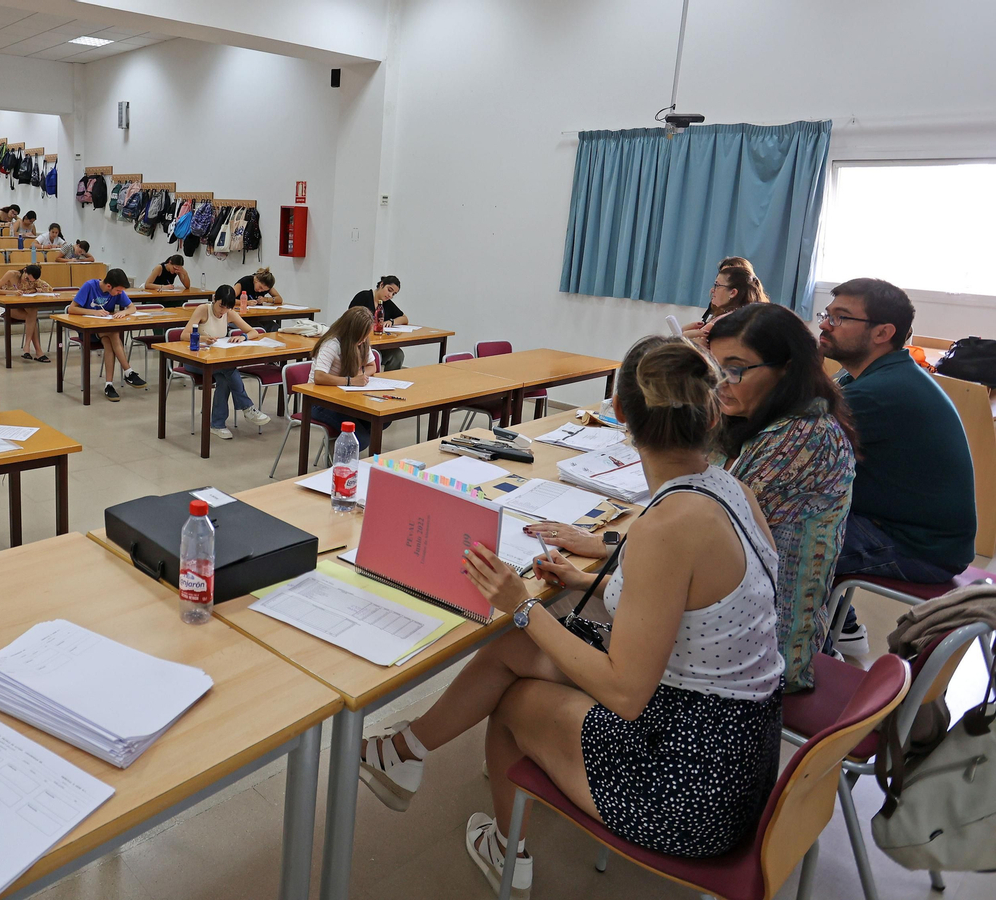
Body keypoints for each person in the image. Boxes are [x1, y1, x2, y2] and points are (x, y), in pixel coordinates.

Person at [360, 337, 784, 893]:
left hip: (693, 782)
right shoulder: (729, 488)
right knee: (513, 651)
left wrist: (522, 607)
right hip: (738, 742)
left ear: (619, 413)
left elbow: (626, 693)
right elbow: (692, 603)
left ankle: (507, 851)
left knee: (513, 699)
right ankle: (406, 752)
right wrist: (587, 581)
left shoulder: (668, 526)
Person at [533, 304, 856, 692]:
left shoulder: (802, 438)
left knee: (542, 621)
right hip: (720, 621)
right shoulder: (751, 421)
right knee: (560, 600)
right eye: (712, 371)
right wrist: (607, 548)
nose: (719, 385)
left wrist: (607, 551)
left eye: (734, 369)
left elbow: (691, 535)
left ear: (786, 368)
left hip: (762, 651)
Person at [819, 278, 977, 656]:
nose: (825, 324)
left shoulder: (878, 392)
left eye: (840, 317)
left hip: (919, 548)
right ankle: (843, 625)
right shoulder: (868, 375)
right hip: (899, 527)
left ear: (883, 332)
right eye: (828, 314)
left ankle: (817, 650)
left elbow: (786, 439)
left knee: (773, 542)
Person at [185, 285, 272, 439]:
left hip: (217, 362)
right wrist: (204, 338)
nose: (222, 311)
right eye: (220, 306)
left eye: (227, 308)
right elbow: (184, 335)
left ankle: (217, 425)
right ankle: (247, 407)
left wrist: (243, 337)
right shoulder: (203, 309)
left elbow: (253, 332)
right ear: (214, 300)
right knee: (228, 370)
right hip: (195, 360)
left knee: (224, 377)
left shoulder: (229, 313)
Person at [67, 268, 146, 402]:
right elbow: (71, 309)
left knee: (110, 341)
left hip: (105, 330)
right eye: (118, 291)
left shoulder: (117, 290)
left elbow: (132, 308)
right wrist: (93, 312)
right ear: (109, 286)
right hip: (87, 331)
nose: (119, 293)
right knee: (113, 333)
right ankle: (128, 372)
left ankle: (109, 385)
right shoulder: (89, 286)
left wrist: (124, 313)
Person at [309, 307, 377, 448]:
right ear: (352, 332)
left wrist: (360, 375)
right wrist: (350, 381)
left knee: (379, 420)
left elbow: (372, 366)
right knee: (362, 440)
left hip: (345, 397)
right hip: (320, 402)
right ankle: (339, 452)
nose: (364, 340)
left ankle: (341, 443)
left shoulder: (362, 342)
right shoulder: (332, 344)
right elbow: (319, 376)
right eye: (362, 335)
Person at [683, 261, 765, 345]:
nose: (712, 290)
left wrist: (683, 343)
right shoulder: (741, 316)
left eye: (717, 285)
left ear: (733, 293)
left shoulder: (727, 321)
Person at [0, 264, 55, 362]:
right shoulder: (11, 274)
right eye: (27, 278)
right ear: (24, 271)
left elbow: (49, 288)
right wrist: (12, 293)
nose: (27, 281)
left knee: (33, 311)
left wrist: (34, 289)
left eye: (31, 281)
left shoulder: (34, 280)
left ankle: (27, 347)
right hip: (8, 307)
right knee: (32, 317)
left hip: (23, 307)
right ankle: (37, 351)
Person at [352, 275, 409, 370]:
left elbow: (404, 318)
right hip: (360, 343)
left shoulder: (386, 303)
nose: (390, 295)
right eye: (389, 290)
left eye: (394, 294)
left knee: (397, 354)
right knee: (375, 355)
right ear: (382, 285)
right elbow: (351, 318)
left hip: (379, 343)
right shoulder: (363, 296)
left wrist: (392, 321)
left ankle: (390, 382)